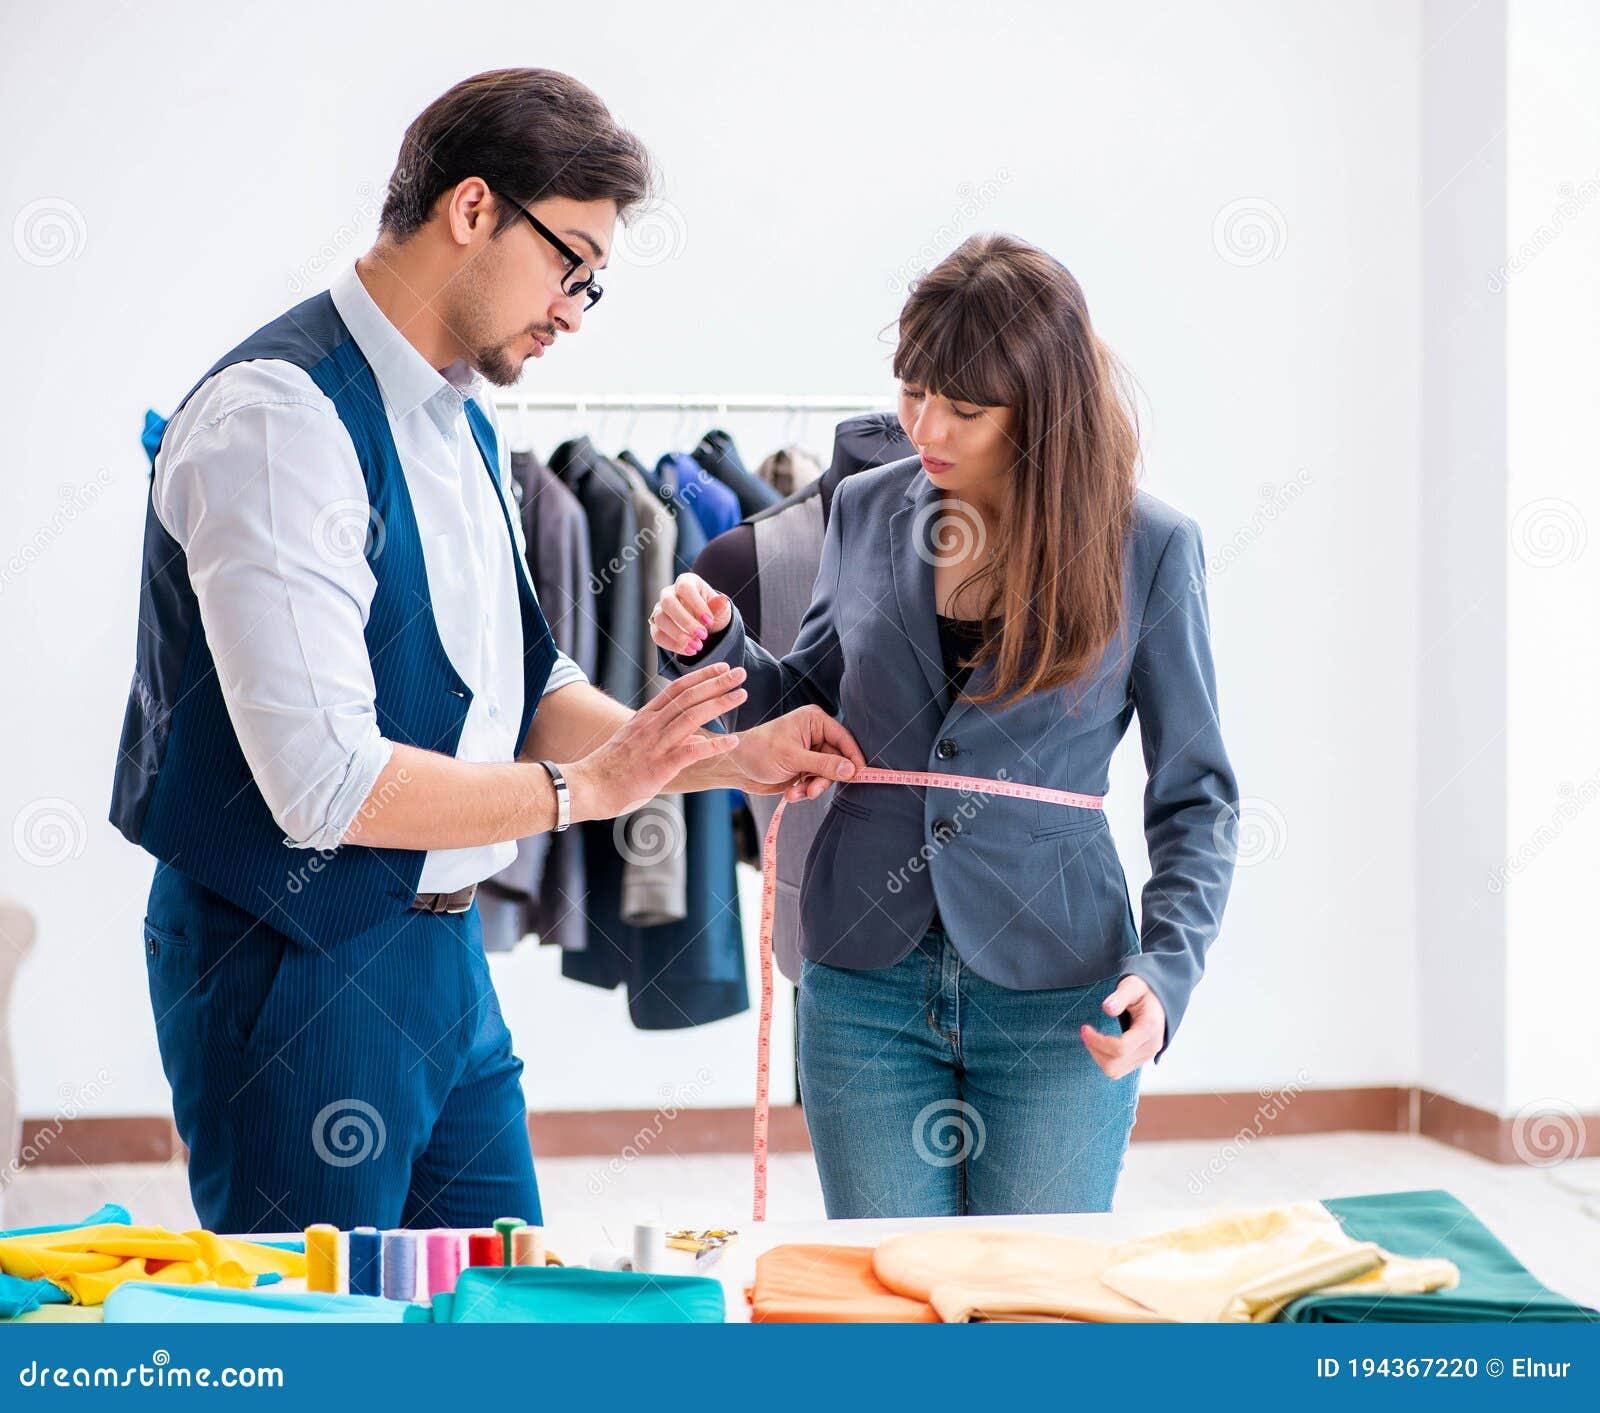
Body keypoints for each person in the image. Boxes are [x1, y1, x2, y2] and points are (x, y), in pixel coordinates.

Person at [110, 68, 862, 1234]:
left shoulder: (460, 417)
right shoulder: (279, 421)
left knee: (501, 1317)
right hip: (294, 960)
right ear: (471, 209)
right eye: (571, 262)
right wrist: (583, 793)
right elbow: (323, 788)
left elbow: (530, 681)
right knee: (335, 1358)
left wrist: (722, 757)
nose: (574, 305)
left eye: (593, 285)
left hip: (445, 968)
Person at [651, 233, 1239, 1218]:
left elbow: (1198, 797)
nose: (925, 425)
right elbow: (812, 700)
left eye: (965, 409)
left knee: (1031, 1309)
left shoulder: (1151, 547)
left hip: (1061, 985)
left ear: (1046, 411)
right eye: (912, 390)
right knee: (888, 1307)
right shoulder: (870, 509)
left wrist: (1169, 968)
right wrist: (717, 650)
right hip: (862, 979)